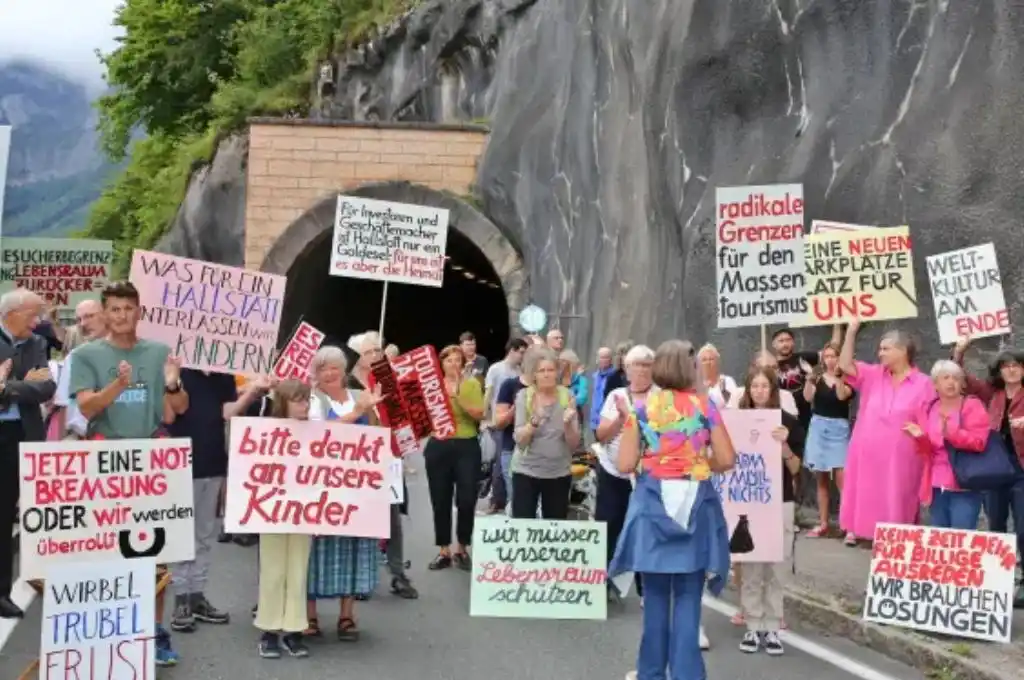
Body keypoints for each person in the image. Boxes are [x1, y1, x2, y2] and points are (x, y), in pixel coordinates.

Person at [68, 281, 189, 665]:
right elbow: (87, 409)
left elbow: (176, 410)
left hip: (151, 459)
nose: (122, 316)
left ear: (140, 312)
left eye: (128, 308)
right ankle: (110, 633)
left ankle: (154, 635)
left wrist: (173, 382)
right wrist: (118, 385)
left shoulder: (157, 352)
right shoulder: (87, 354)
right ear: (104, 314)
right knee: (106, 550)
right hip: (106, 457)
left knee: (156, 551)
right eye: (115, 309)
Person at [611, 340, 736, 680]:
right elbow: (727, 459)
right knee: (688, 596)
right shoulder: (705, 405)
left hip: (654, 501)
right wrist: (697, 462)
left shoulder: (643, 409)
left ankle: (651, 673)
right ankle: (687, 674)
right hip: (696, 500)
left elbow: (624, 463)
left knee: (654, 597)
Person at [169, 369, 273, 633]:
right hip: (180, 462)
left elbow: (227, 412)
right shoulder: (179, 372)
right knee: (183, 536)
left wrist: (253, 391)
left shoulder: (223, 376)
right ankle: (181, 597)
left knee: (205, 534)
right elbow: (173, 412)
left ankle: (196, 595)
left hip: (214, 461)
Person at [305, 346, 386, 639]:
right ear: (316, 373)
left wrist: (372, 410)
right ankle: (310, 616)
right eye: (323, 368)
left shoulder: (357, 397)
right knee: (315, 550)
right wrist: (357, 412)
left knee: (352, 547)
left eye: (334, 367)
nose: (329, 373)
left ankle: (346, 615)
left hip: (354, 486)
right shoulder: (314, 399)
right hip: (320, 486)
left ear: (342, 371)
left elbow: (376, 434)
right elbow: (319, 432)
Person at [838, 320, 935, 544]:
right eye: (880, 349)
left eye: (885, 348)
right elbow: (844, 365)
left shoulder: (924, 383)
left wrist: (921, 433)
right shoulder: (873, 375)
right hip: (867, 457)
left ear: (902, 351)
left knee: (899, 503)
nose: (880, 353)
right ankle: (880, 550)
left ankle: (897, 550)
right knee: (870, 501)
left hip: (903, 459)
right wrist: (851, 331)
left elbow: (931, 422)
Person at [735, 367, 803, 656]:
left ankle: (773, 627)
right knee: (751, 566)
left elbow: (797, 468)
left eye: (765, 386)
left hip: (780, 500)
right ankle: (752, 625)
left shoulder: (787, 421)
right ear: (748, 390)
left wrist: (784, 444)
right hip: (749, 500)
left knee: (777, 566)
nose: (760, 391)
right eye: (755, 386)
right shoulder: (736, 421)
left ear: (773, 390)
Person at [346, 332, 418, 598]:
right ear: (358, 358)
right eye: (369, 352)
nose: (376, 356)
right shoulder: (349, 386)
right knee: (362, 519)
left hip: (388, 460)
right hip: (359, 462)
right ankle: (361, 577)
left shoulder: (390, 383)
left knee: (392, 519)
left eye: (378, 351)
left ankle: (398, 574)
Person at [953, 338, 1024, 607]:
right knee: (995, 524)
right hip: (994, 469)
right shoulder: (991, 394)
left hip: (1020, 471)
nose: (1012, 370)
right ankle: (997, 580)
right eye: (1006, 366)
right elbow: (962, 381)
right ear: (999, 370)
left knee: (1023, 527)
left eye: (1017, 365)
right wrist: (960, 351)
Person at [0, 290, 57, 619]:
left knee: (11, 514)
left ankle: (3, 592)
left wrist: (7, 387)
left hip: (23, 435)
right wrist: (27, 383)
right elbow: (34, 383)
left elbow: (47, 387)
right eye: (33, 315)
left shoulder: (35, 343)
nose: (38, 322)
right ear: (12, 313)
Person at [255, 379, 314, 659]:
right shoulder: (265, 429)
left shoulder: (317, 432)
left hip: (304, 511)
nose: (304, 404)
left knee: (298, 570)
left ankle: (293, 629)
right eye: (298, 399)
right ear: (283, 402)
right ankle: (268, 629)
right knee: (273, 570)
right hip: (272, 510)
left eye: (307, 399)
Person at [594, 346, 656, 603]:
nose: (641, 370)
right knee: (609, 525)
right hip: (613, 471)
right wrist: (621, 419)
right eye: (636, 365)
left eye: (646, 365)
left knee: (645, 529)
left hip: (647, 475)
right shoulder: (616, 395)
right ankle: (602, 581)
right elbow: (601, 434)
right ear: (627, 370)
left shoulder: (661, 397)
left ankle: (646, 589)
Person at [902, 361, 989, 530]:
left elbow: (979, 442)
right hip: (936, 482)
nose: (951, 382)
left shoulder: (972, 405)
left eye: (956, 378)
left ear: (962, 384)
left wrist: (951, 433)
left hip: (964, 482)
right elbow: (927, 451)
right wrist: (919, 437)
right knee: (940, 536)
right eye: (946, 378)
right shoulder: (929, 408)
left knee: (961, 536)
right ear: (935, 384)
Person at [425, 345, 484, 570]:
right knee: (440, 499)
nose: (454, 365)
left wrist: (457, 397)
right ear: (441, 364)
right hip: (439, 444)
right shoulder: (433, 387)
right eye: (449, 361)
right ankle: (443, 550)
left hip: (466, 444)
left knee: (467, 498)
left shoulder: (471, 384)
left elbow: (480, 414)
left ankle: (462, 547)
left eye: (458, 360)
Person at [511, 347, 581, 519]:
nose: (547, 374)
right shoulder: (524, 396)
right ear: (534, 374)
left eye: (550, 370)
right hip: (526, 471)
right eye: (541, 370)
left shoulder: (568, 396)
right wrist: (534, 422)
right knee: (523, 526)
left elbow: (574, 444)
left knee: (554, 527)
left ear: (557, 372)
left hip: (558, 473)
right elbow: (520, 441)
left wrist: (567, 424)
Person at [802, 341, 854, 537]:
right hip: (818, 427)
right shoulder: (817, 378)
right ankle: (823, 523)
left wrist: (840, 377)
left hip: (839, 429)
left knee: (843, 481)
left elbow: (842, 397)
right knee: (821, 480)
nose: (830, 360)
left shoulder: (849, 379)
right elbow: (808, 399)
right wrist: (809, 379)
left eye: (834, 356)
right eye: (827, 356)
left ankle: (848, 526)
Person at [482, 338, 528, 513]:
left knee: (506, 462)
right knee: (498, 462)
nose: (523, 357)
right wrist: (485, 418)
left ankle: (503, 499)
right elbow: (489, 393)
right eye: (521, 352)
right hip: (499, 419)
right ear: (512, 350)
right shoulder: (496, 369)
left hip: (517, 422)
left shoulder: (519, 371)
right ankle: (496, 500)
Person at [52, 299, 106, 440]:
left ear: (106, 315)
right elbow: (63, 404)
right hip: (82, 440)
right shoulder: (75, 357)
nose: (83, 324)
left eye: (89, 316)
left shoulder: (131, 354)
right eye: (79, 319)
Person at [727, 351, 798, 416]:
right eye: (767, 368)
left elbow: (793, 426)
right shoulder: (737, 394)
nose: (772, 372)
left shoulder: (785, 396)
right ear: (753, 369)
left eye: (775, 367)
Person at [697, 344, 737, 409]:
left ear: (718, 362)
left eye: (711, 359)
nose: (708, 363)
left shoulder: (727, 382)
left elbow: (733, 407)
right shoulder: (694, 385)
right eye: (704, 360)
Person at [590, 346, 617, 435]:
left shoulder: (614, 377)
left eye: (607, 357)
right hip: (595, 421)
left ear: (611, 359)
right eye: (602, 357)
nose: (604, 360)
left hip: (607, 421)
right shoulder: (595, 376)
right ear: (597, 359)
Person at [559, 349, 588, 424]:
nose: (561, 364)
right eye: (560, 361)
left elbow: (582, 398)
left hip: (574, 416)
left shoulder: (581, 379)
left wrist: (565, 403)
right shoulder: (557, 378)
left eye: (563, 361)